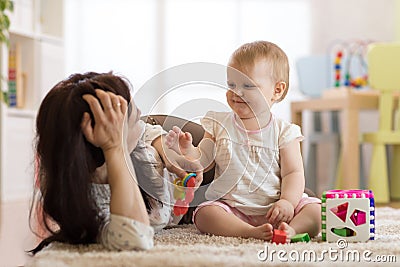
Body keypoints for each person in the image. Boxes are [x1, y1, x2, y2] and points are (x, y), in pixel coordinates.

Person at [165, 41, 321, 242]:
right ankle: (248, 232)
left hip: (277, 209)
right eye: (232, 85)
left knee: (317, 211)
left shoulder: (284, 132)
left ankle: (289, 230)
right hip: (233, 209)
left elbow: (293, 172)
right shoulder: (218, 123)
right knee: (205, 215)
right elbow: (204, 159)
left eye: (248, 85)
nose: (237, 92)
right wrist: (188, 151)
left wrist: (287, 203)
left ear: (277, 90)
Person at [30, 72, 202, 254]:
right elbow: (135, 238)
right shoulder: (84, 203)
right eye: (133, 118)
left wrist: (168, 155)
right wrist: (114, 149)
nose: (139, 113)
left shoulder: (136, 142)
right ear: (106, 138)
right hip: (184, 211)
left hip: (177, 146)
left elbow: (145, 128)